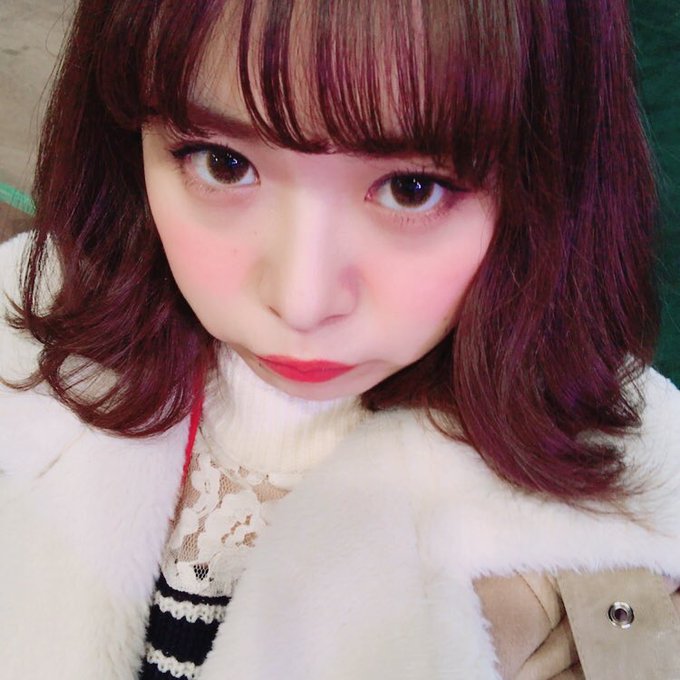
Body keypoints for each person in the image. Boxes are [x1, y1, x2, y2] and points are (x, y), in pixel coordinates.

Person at [1, 0, 679, 678]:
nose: (301, 302)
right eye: (224, 164)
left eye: (412, 189)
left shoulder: (617, 556)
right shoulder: (25, 336)